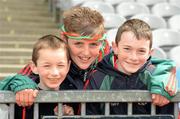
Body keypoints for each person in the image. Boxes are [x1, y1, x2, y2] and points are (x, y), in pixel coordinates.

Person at [11, 7, 176, 115]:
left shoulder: (111, 57)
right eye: (78, 44)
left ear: (103, 42)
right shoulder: (55, 58)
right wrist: (24, 84)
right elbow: (26, 74)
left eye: (93, 44)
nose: (86, 52)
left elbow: (150, 63)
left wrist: (164, 79)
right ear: (64, 38)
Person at [86, 19, 177, 115]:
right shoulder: (97, 78)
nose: (133, 57)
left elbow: (170, 115)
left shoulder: (158, 79)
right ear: (115, 47)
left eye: (141, 51)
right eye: (127, 49)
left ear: (149, 53)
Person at [0, 35, 73, 119]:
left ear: (68, 66)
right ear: (34, 67)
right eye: (47, 66)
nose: (55, 73)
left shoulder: (73, 96)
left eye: (60, 65)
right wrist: (20, 84)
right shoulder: (22, 93)